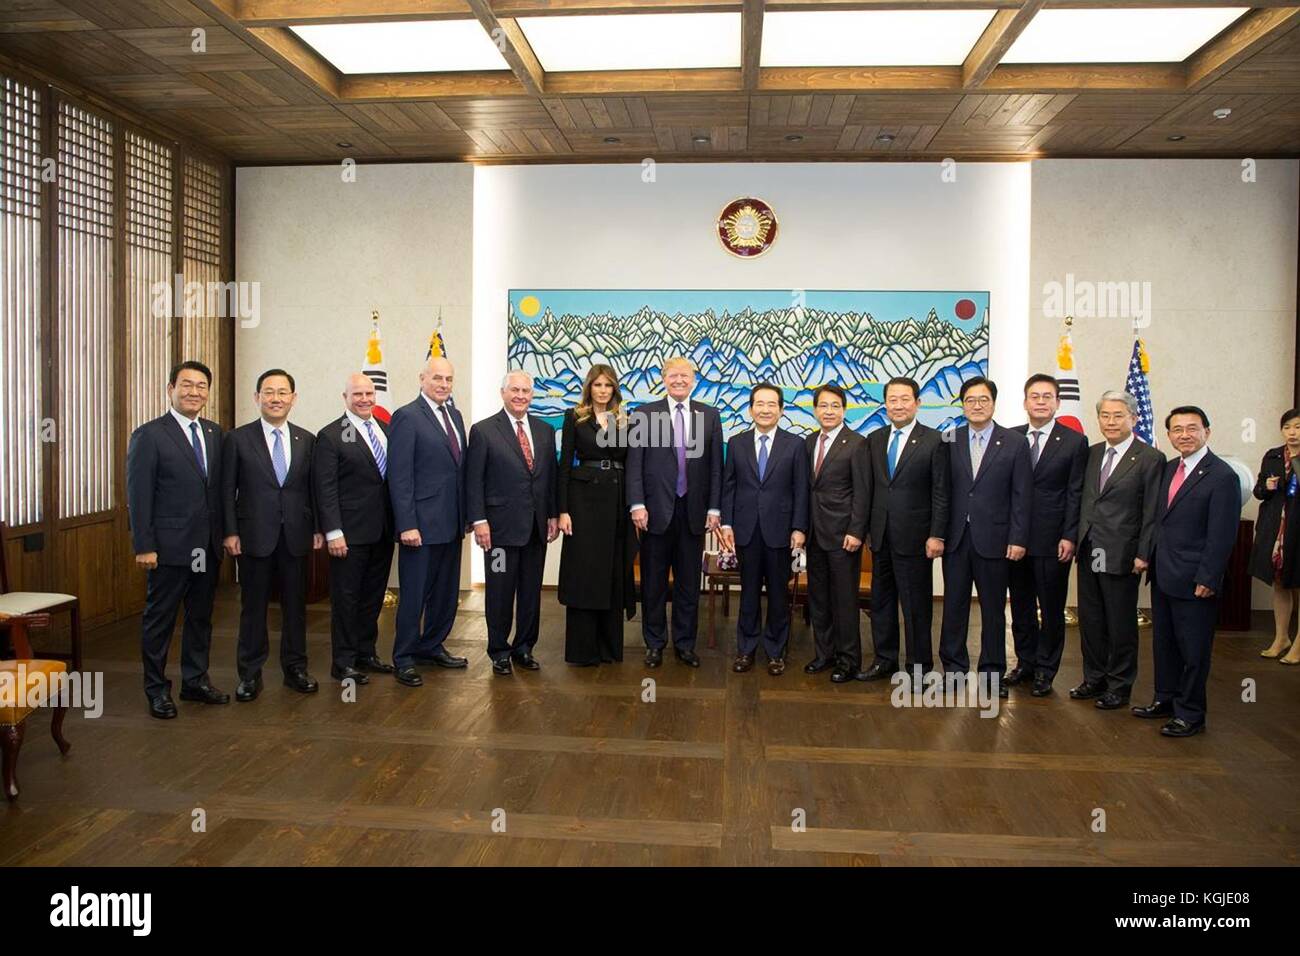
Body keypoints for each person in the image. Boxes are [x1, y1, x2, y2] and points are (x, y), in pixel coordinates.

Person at [126, 360, 228, 719]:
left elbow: (218, 492)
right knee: (161, 620)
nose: (194, 392)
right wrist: (144, 545)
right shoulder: (149, 435)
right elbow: (139, 496)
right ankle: (156, 690)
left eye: (201, 386)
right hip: (167, 548)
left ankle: (195, 681)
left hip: (207, 547)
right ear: (171, 388)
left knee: (200, 619)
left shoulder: (215, 434)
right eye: (186, 384)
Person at [1133, 406, 1242, 737]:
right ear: (1168, 435)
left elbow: (1222, 536)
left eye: (1192, 428)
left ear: (1207, 431)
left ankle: (1191, 713)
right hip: (1165, 575)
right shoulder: (1168, 469)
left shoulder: (1222, 476)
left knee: (1193, 650)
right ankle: (1165, 699)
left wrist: (1208, 578)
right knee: (1164, 645)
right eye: (1177, 430)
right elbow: (1158, 520)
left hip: (1196, 580)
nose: (1184, 435)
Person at [221, 368, 323, 701]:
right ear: (257, 398)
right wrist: (230, 532)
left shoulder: (307, 439)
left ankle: (296, 669)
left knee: (296, 607)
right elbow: (225, 491)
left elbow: (315, 490)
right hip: (253, 536)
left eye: (282, 392)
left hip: (296, 536)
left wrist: (318, 529)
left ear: (293, 398)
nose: (276, 398)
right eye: (269, 391)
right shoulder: (237, 439)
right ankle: (249, 675)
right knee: (253, 607)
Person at [626, 356, 724, 669]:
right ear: (663, 378)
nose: (679, 380)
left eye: (685, 376)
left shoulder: (709, 416)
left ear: (693, 380)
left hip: (694, 512)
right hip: (654, 513)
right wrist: (637, 504)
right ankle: (654, 644)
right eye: (673, 376)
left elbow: (715, 469)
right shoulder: (644, 413)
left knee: (687, 583)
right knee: (653, 583)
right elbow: (634, 463)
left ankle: (685, 644)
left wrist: (714, 508)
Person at [937, 376, 1031, 697]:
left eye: (983, 400)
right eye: (970, 400)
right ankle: (953, 669)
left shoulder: (1016, 442)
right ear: (962, 405)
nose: (976, 405)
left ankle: (992, 674)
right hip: (956, 539)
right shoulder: (949, 439)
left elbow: (1021, 495)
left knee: (992, 610)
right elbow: (942, 492)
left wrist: (1018, 538)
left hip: (996, 539)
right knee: (954, 606)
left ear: (993, 403)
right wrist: (937, 534)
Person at [1073, 390, 1164, 711]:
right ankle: (1093, 677)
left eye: (1118, 416)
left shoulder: (1150, 458)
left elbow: (1152, 511)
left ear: (1134, 419)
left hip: (1123, 553)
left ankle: (1119, 685)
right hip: (1088, 549)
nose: (1111, 422)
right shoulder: (1092, 453)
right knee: (1092, 619)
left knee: (1120, 623)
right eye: (1105, 416)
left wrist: (1144, 553)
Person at [466, 370, 559, 676]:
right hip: (498, 530)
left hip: (535, 528)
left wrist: (553, 515)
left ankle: (524, 648)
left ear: (533, 395)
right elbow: (474, 481)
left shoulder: (544, 431)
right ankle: (499, 650)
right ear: (502, 393)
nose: (520, 396)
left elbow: (551, 479)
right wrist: (479, 520)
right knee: (500, 591)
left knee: (531, 592)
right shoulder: (483, 431)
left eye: (526, 391)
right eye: (514, 390)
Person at [387, 356, 469, 688]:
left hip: (452, 522)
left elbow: (457, 470)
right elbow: (400, 476)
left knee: (446, 592)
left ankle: (431, 645)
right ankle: (404, 657)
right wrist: (407, 523)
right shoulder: (407, 417)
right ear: (422, 378)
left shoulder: (455, 415)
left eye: (448, 379)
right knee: (415, 593)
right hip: (419, 525)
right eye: (437, 378)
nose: (443, 385)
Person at [862, 376, 949, 680]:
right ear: (885, 403)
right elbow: (869, 488)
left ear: (917, 403)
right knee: (881, 602)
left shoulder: (935, 440)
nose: (898, 405)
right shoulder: (874, 439)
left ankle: (919, 667)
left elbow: (941, 492)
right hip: (880, 535)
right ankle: (884, 660)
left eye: (904, 399)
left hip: (916, 537)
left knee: (916, 605)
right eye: (892, 399)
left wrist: (937, 534)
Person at [1007, 374, 1088, 696]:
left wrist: (1070, 535)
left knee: (1051, 609)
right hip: (1015, 539)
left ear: (1057, 402)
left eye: (1047, 396)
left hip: (1053, 540)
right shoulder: (1010, 438)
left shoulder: (1073, 441)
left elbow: (1075, 491)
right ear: (1025, 401)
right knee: (1020, 606)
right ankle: (1025, 663)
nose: (1040, 401)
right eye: (1034, 396)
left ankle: (1046, 670)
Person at [312, 372, 395, 686]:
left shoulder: (386, 429)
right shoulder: (332, 435)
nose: (364, 399)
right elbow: (326, 487)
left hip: (383, 531)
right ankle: (343, 661)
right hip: (348, 534)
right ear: (344, 397)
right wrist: (333, 531)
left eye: (369, 394)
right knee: (346, 598)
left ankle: (365, 653)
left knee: (372, 597)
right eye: (357, 394)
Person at [720, 383, 809, 675]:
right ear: (750, 409)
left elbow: (801, 490)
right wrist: (728, 523)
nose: (765, 409)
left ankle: (775, 651)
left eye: (772, 404)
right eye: (760, 404)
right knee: (748, 594)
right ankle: (745, 650)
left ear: (781, 410)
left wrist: (799, 527)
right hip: (745, 530)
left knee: (778, 595)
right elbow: (729, 486)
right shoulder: (736, 443)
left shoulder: (795, 444)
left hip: (781, 530)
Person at [556, 365, 637, 665]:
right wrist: (562, 509)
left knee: (612, 572)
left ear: (614, 389)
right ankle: (583, 649)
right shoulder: (574, 418)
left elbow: (634, 463)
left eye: (608, 385)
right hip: (583, 503)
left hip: (616, 502)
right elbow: (564, 465)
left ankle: (609, 648)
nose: (603, 390)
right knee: (585, 572)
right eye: (597, 385)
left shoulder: (626, 420)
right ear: (589, 387)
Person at [802, 383, 870, 682]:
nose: (828, 411)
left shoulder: (856, 443)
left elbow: (863, 492)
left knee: (844, 600)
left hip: (843, 535)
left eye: (835, 406)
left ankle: (848, 660)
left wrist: (856, 530)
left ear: (844, 410)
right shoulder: (808, 442)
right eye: (823, 406)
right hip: (814, 533)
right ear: (815, 410)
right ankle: (824, 654)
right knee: (818, 599)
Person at [1248, 408, 1300, 664]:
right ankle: (1281, 637)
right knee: (1280, 582)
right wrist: (1266, 487)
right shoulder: (1273, 455)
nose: (1293, 433)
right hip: (1276, 529)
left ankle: (1299, 643)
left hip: (1298, 530)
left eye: (1298, 427)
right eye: (1288, 427)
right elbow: (1258, 491)